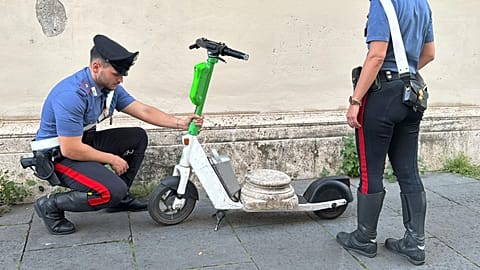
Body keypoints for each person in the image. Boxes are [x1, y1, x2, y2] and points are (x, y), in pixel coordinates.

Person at [31, 34, 204, 235]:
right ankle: (50, 206)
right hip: (59, 156)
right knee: (110, 191)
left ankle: (119, 199)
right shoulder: (72, 95)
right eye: (116, 73)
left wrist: (179, 122)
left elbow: (143, 111)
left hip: (84, 143)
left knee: (137, 137)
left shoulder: (109, 88)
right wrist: (111, 158)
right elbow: (71, 149)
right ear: (96, 67)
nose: (120, 79)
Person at [336, 0, 435, 266]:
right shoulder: (423, 5)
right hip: (412, 93)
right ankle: (415, 243)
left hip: (383, 96)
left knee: (371, 171)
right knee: (408, 171)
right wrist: (405, 73)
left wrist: (355, 101)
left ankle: (364, 239)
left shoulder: (383, 3)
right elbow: (429, 54)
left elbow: (377, 55)